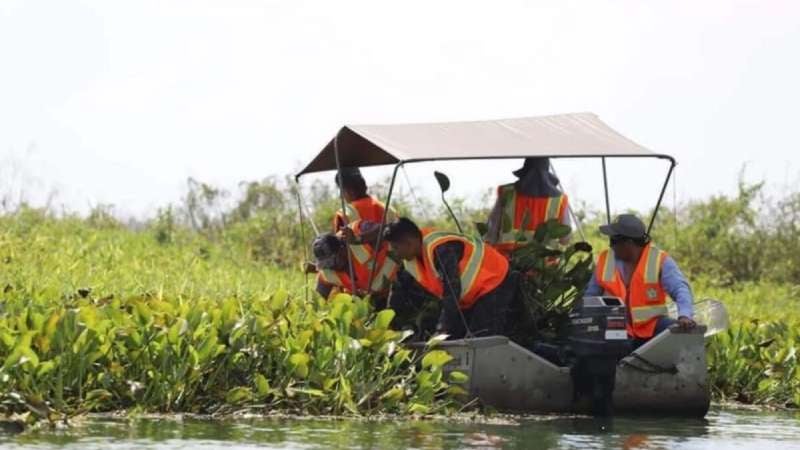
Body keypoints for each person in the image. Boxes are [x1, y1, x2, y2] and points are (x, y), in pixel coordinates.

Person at [383, 217, 518, 339]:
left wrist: (441, 330)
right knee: (457, 338)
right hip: (472, 295)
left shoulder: (440, 248)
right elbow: (397, 291)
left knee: (480, 338)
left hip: (495, 280)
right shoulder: (409, 260)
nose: (395, 253)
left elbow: (452, 290)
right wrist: (385, 326)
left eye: (395, 248)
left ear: (409, 243)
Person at [584, 214, 696, 342]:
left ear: (628, 243)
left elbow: (680, 288)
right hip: (615, 328)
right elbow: (590, 296)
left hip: (652, 327)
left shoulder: (659, 259)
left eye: (613, 241)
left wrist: (685, 315)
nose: (611, 246)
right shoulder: (605, 259)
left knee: (680, 335)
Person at [485, 157, 570, 255]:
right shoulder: (559, 200)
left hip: (507, 263)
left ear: (524, 171)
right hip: (544, 266)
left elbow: (491, 231)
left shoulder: (506, 192)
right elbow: (565, 239)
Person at [312, 220, 398, 302]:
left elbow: (385, 229)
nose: (332, 267)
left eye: (332, 262)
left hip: (398, 281)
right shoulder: (328, 271)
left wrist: (358, 239)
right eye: (326, 264)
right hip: (375, 299)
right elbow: (319, 299)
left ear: (342, 249)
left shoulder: (358, 230)